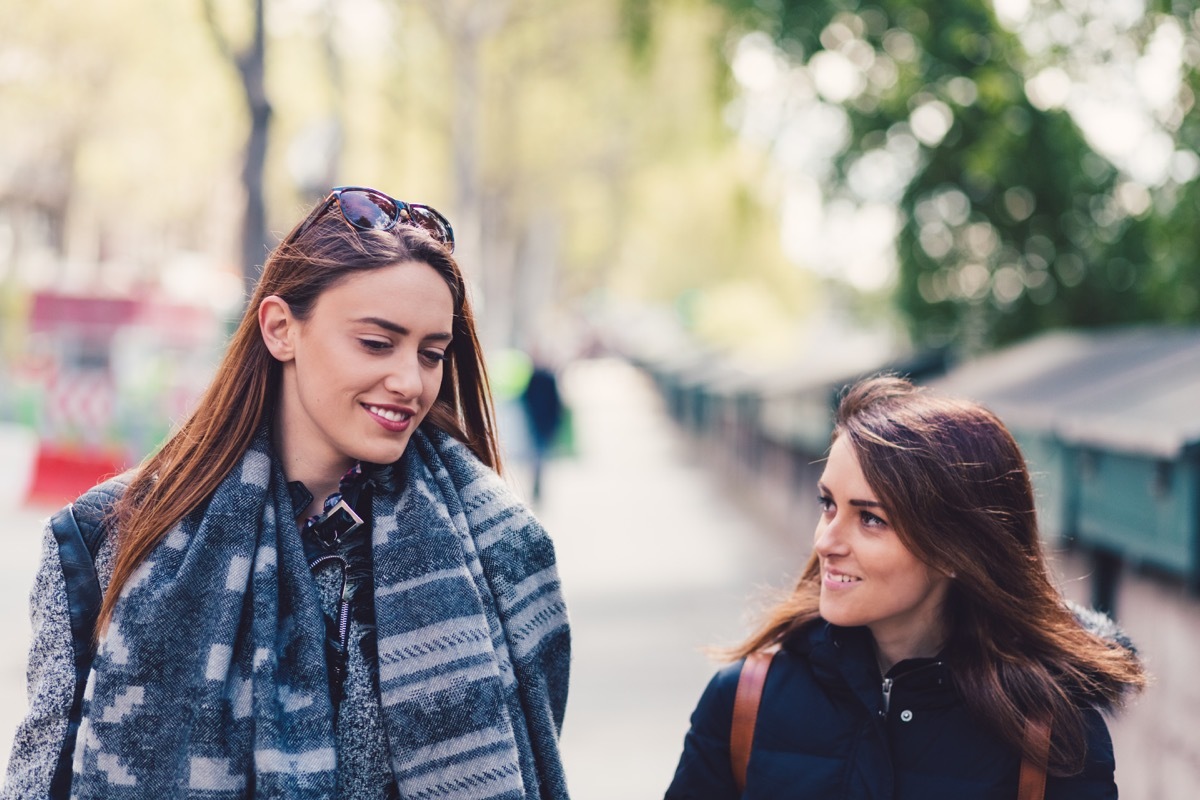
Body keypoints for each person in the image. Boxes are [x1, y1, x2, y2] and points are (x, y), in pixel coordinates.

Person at [5, 186, 571, 800]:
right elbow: (40, 778)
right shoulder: (108, 539)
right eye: (377, 343)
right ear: (280, 328)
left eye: (431, 353)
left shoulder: (503, 549)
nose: (410, 380)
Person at [665, 375, 1145, 799]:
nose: (826, 541)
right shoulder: (746, 699)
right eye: (828, 504)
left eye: (870, 519)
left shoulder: (1050, 737)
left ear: (956, 550)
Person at [519, 357, 565, 503]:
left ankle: (537, 486)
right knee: (539, 456)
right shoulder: (543, 378)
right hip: (541, 423)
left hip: (538, 422)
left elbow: (526, 399)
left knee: (538, 456)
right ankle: (537, 487)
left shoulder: (539, 378)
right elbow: (556, 404)